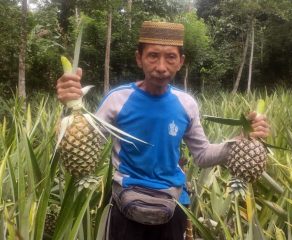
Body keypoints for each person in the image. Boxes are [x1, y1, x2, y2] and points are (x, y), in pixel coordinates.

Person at [56, 21, 270, 240]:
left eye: (170, 57)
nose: (161, 66)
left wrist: (243, 142)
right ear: (139, 58)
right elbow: (87, 143)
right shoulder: (117, 99)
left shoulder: (186, 104)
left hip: (173, 204)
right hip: (125, 203)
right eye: (152, 56)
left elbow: (203, 155)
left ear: (181, 62)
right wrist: (71, 106)